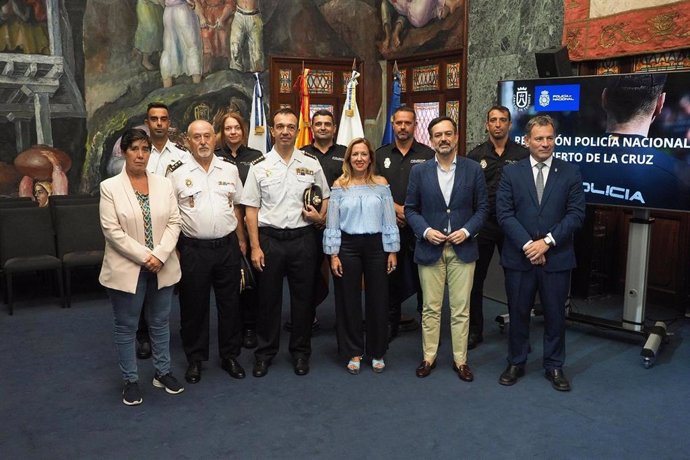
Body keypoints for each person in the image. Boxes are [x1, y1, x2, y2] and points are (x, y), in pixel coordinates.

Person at [496, 115, 585, 392]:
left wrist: (546, 242)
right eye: (539, 138)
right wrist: (529, 246)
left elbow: (576, 215)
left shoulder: (570, 172)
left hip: (556, 257)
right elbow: (504, 214)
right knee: (518, 311)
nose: (545, 143)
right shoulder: (512, 173)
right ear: (527, 141)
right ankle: (516, 361)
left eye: (549, 138)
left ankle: (554, 365)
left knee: (556, 314)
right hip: (520, 257)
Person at [241, 108, 330, 378]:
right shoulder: (259, 166)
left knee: (303, 301)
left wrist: (321, 217)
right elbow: (251, 210)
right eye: (280, 126)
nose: (285, 131)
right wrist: (255, 247)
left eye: (290, 127)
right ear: (272, 131)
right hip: (270, 241)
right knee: (268, 300)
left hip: (303, 240)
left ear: (297, 130)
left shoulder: (311, 163)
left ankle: (301, 352)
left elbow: (325, 195)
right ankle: (265, 353)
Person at [99, 128, 183, 406]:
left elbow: (174, 222)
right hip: (127, 268)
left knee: (160, 323)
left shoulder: (164, 184)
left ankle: (163, 372)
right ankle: (131, 380)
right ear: (124, 153)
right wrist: (146, 256)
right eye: (134, 149)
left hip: (162, 265)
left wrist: (159, 255)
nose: (140, 155)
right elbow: (112, 231)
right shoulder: (110, 187)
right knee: (127, 326)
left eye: (145, 149)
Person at [405, 116, 488, 381]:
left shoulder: (473, 169)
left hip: (464, 248)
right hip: (430, 248)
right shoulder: (419, 171)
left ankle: (460, 360)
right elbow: (410, 209)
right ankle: (428, 357)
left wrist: (466, 231)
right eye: (438, 135)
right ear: (431, 140)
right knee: (430, 307)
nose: (443, 139)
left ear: (456, 137)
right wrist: (426, 231)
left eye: (448, 134)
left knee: (461, 309)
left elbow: (483, 208)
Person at [167, 119, 247, 384]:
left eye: (207, 136)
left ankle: (229, 355)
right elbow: (171, 215)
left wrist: (242, 243)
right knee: (193, 307)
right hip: (193, 250)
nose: (202, 141)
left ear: (216, 139)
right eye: (196, 137)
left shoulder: (229, 169)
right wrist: (176, 252)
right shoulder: (176, 173)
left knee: (230, 305)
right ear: (188, 141)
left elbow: (237, 207)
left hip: (227, 247)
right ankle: (195, 359)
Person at [324, 138, 399, 374]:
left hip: (377, 246)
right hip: (347, 247)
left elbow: (389, 219)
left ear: (370, 158)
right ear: (348, 159)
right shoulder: (339, 186)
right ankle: (353, 351)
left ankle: (377, 351)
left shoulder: (381, 184)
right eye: (354, 154)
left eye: (363, 154)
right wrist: (333, 254)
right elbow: (332, 223)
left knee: (379, 299)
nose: (359, 158)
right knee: (348, 300)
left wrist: (392, 251)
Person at [466, 106, 528, 349]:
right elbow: (467, 192)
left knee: (516, 281)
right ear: (487, 125)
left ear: (510, 125)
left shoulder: (523, 155)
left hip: (514, 225)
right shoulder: (475, 155)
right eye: (493, 120)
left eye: (503, 120)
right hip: (484, 224)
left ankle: (518, 333)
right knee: (475, 280)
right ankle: (474, 331)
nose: (498, 124)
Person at [135, 102, 191, 360]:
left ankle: (181, 331)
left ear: (169, 122)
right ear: (147, 123)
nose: (159, 123)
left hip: (176, 226)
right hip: (144, 227)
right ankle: (144, 335)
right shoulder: (139, 153)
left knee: (176, 283)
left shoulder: (182, 154)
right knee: (143, 283)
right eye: (154, 119)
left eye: (164, 119)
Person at [284, 109, 347, 332]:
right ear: (311, 127)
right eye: (318, 124)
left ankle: (345, 322)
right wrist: (318, 219)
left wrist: (326, 217)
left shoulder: (346, 154)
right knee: (308, 275)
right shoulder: (301, 154)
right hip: (309, 226)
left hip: (341, 225)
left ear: (334, 128)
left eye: (327, 124)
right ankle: (307, 318)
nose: (322, 127)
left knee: (343, 274)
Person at [375, 105, 434, 341]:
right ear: (392, 124)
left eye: (407, 123)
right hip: (389, 226)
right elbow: (375, 188)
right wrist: (396, 210)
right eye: (398, 122)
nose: (402, 127)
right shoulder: (380, 155)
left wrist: (409, 214)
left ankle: (426, 322)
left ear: (415, 125)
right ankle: (391, 322)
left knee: (424, 277)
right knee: (390, 276)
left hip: (419, 226)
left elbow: (432, 191)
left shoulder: (428, 154)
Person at [215, 111, 263, 349]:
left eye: (236, 128)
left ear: (243, 131)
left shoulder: (256, 157)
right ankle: (232, 328)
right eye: (228, 128)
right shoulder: (214, 158)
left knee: (252, 282)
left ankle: (251, 327)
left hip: (252, 228)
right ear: (222, 133)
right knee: (230, 283)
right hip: (225, 231)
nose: (233, 132)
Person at [160, 0, 203, 88]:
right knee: (191, 44)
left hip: (168, 12)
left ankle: (167, 85)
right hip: (182, 12)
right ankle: (197, 83)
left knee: (169, 47)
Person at [228, 0, 264, 72]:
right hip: (239, 15)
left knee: (257, 53)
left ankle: (256, 79)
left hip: (254, 16)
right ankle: (236, 77)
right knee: (235, 49)